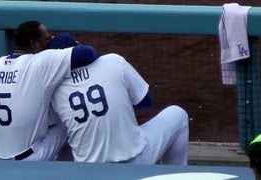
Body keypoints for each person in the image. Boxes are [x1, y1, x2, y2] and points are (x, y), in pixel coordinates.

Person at [48, 32, 189, 164]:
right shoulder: (113, 61)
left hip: (87, 172)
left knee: (63, 132)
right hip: (137, 161)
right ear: (79, 47)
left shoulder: (52, 87)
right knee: (178, 114)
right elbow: (146, 101)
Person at [0, 20, 99, 161]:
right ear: (33, 44)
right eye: (47, 39)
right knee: (69, 118)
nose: (50, 41)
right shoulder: (41, 62)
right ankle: (67, 170)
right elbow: (88, 53)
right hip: (28, 160)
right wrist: (57, 43)